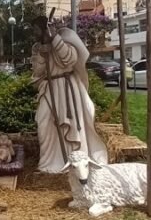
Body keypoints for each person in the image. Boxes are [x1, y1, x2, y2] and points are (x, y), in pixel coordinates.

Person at [30, 16, 108, 174]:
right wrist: (42, 55)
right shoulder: (38, 47)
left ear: (44, 29)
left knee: (72, 124)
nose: (34, 33)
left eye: (36, 30)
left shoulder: (65, 39)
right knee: (43, 121)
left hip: (67, 88)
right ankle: (48, 163)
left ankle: (74, 160)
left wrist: (54, 40)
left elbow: (69, 60)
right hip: (50, 88)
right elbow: (37, 72)